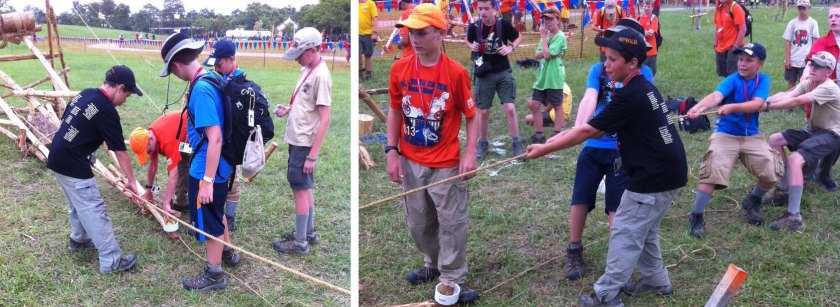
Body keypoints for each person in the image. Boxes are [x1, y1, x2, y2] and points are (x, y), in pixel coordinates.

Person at [525, 27, 686, 307]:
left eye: (612, 59)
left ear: (632, 63)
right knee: (644, 229)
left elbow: (589, 132)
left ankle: (605, 294)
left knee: (625, 229)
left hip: (654, 175)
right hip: (669, 170)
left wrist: (544, 148)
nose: (606, 65)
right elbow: (595, 127)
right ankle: (657, 281)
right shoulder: (642, 87)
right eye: (605, 58)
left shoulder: (631, 94)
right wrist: (558, 137)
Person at [386, 4, 479, 303]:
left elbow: (472, 116)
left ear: (441, 34)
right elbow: (395, 111)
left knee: (451, 222)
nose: (414, 38)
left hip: (446, 163)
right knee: (419, 222)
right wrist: (391, 151)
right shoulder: (400, 68)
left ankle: (452, 277)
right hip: (411, 161)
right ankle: (433, 262)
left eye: (422, 32)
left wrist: (470, 154)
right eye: (411, 32)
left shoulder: (456, 73)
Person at [561, 19, 656, 280]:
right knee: (580, 197)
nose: (608, 57)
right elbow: (590, 97)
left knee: (617, 206)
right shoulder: (598, 69)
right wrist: (579, 129)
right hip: (594, 144)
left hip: (622, 150)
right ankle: (574, 249)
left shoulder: (643, 74)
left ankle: (616, 262)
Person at [159, 32, 240, 291]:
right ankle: (227, 252)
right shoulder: (211, 78)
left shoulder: (202, 89)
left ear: (176, 65)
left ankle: (214, 274)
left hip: (207, 166)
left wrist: (206, 180)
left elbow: (215, 138)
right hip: (219, 164)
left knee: (209, 220)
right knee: (216, 212)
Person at [48, 65, 143, 274]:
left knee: (77, 203)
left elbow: (70, 123)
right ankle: (111, 261)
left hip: (57, 156)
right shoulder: (106, 110)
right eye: (127, 95)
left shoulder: (85, 94)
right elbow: (121, 152)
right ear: (119, 87)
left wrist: (84, 149)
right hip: (72, 162)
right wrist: (132, 181)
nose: (125, 100)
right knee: (93, 208)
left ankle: (79, 240)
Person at [684, 43, 779, 238]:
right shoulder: (732, 80)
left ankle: (753, 199)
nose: (742, 63)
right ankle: (696, 216)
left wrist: (732, 107)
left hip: (751, 136)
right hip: (725, 135)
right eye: (740, 59)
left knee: (772, 169)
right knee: (712, 170)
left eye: (749, 60)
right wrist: (698, 108)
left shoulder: (763, 80)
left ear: (760, 64)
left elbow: (757, 104)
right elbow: (716, 96)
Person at [763, 51, 840, 232]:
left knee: (795, 160)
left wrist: (767, 107)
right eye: (812, 64)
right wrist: (762, 101)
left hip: (832, 134)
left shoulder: (829, 87)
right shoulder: (810, 82)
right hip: (814, 131)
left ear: (828, 72)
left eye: (819, 66)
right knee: (775, 140)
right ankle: (783, 191)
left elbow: (797, 101)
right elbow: (787, 95)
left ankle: (794, 217)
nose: (812, 68)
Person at [272, 27, 332, 255]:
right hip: (297, 138)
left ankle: (300, 243)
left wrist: (312, 155)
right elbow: (307, 105)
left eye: (300, 54)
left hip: (304, 143)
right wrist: (289, 109)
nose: (296, 58)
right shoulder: (307, 68)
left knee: (298, 187)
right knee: (305, 187)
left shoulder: (321, 76)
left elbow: (325, 119)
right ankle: (308, 232)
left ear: (313, 50)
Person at [789, 4, 840, 192]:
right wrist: (805, 78)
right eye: (831, 16)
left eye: (837, 16)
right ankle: (807, 172)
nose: (833, 19)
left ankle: (823, 172)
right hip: (823, 97)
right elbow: (810, 65)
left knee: (836, 136)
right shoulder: (822, 43)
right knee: (821, 133)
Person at [466, 0, 524, 159]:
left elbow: (519, 37)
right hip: (484, 74)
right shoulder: (475, 26)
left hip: (503, 71)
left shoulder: (502, 25)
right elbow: (467, 40)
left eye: (486, 8)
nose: (483, 12)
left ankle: (517, 142)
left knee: (510, 108)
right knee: (483, 111)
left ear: (494, 9)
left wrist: (510, 47)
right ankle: (482, 143)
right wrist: (471, 46)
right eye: (480, 9)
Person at [202, 39, 245, 231]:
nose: (216, 69)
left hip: (233, 142)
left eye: (219, 64)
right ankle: (218, 215)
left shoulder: (239, 83)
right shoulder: (223, 79)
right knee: (220, 178)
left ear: (231, 59)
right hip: (221, 140)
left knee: (232, 181)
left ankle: (230, 217)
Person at [128, 112, 190, 218]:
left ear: (151, 139)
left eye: (148, 151)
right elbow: (153, 165)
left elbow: (174, 174)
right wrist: (148, 190)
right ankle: (179, 200)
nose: (149, 154)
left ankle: (183, 201)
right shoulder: (150, 135)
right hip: (178, 138)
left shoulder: (167, 141)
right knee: (177, 167)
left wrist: (165, 202)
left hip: (194, 133)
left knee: (184, 167)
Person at [528, 7, 567, 144]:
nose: (547, 22)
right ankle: (539, 134)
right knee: (534, 104)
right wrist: (545, 44)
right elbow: (537, 55)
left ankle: (557, 134)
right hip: (542, 76)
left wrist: (543, 39)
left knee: (557, 105)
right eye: (545, 19)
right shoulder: (547, 36)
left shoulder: (560, 36)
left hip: (554, 77)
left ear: (558, 20)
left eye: (550, 19)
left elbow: (547, 55)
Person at [783, 0, 819, 91]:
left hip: (806, 60)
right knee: (791, 82)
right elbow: (788, 41)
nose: (802, 10)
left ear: (809, 8)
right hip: (793, 59)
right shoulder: (792, 23)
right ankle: (790, 98)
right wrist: (787, 59)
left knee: (805, 83)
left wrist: (812, 59)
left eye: (804, 8)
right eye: (800, 8)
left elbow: (815, 42)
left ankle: (803, 100)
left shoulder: (813, 23)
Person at [714, 0, 747, 77]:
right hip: (721, 46)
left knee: (733, 74)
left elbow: (743, 29)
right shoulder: (719, 8)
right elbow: (717, 26)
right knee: (724, 74)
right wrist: (715, 42)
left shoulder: (735, 7)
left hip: (733, 46)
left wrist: (736, 45)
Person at [638, 0, 660, 76]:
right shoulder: (639, 18)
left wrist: (641, 32)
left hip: (651, 52)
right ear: (642, 7)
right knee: (641, 73)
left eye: (648, 6)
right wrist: (644, 32)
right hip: (641, 51)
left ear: (652, 7)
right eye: (645, 6)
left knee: (651, 73)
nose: (646, 8)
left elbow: (650, 33)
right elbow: (634, 31)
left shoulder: (654, 18)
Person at [359, 0, 379, 81]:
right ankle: (359, 75)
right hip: (357, 34)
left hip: (368, 34)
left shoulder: (370, 3)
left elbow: (375, 18)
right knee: (357, 54)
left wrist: (374, 33)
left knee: (368, 55)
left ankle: (369, 76)